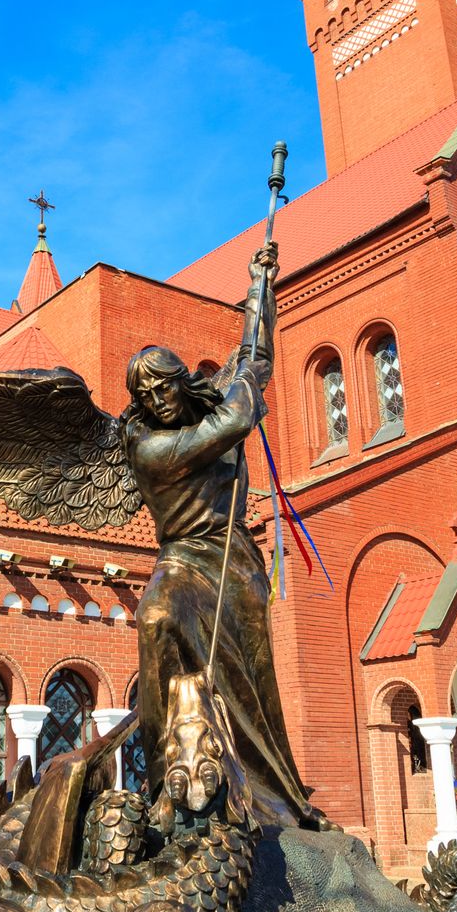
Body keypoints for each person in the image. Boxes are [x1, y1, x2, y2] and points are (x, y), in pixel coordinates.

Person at [121, 244, 326, 830]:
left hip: (233, 559)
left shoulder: (207, 404)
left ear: (180, 382)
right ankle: (165, 788)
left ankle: (276, 794)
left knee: (251, 681)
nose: (156, 401)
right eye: (145, 396)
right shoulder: (149, 448)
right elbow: (237, 417)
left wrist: (260, 286)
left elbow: (255, 357)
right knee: (156, 618)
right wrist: (239, 382)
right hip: (182, 558)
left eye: (163, 388)